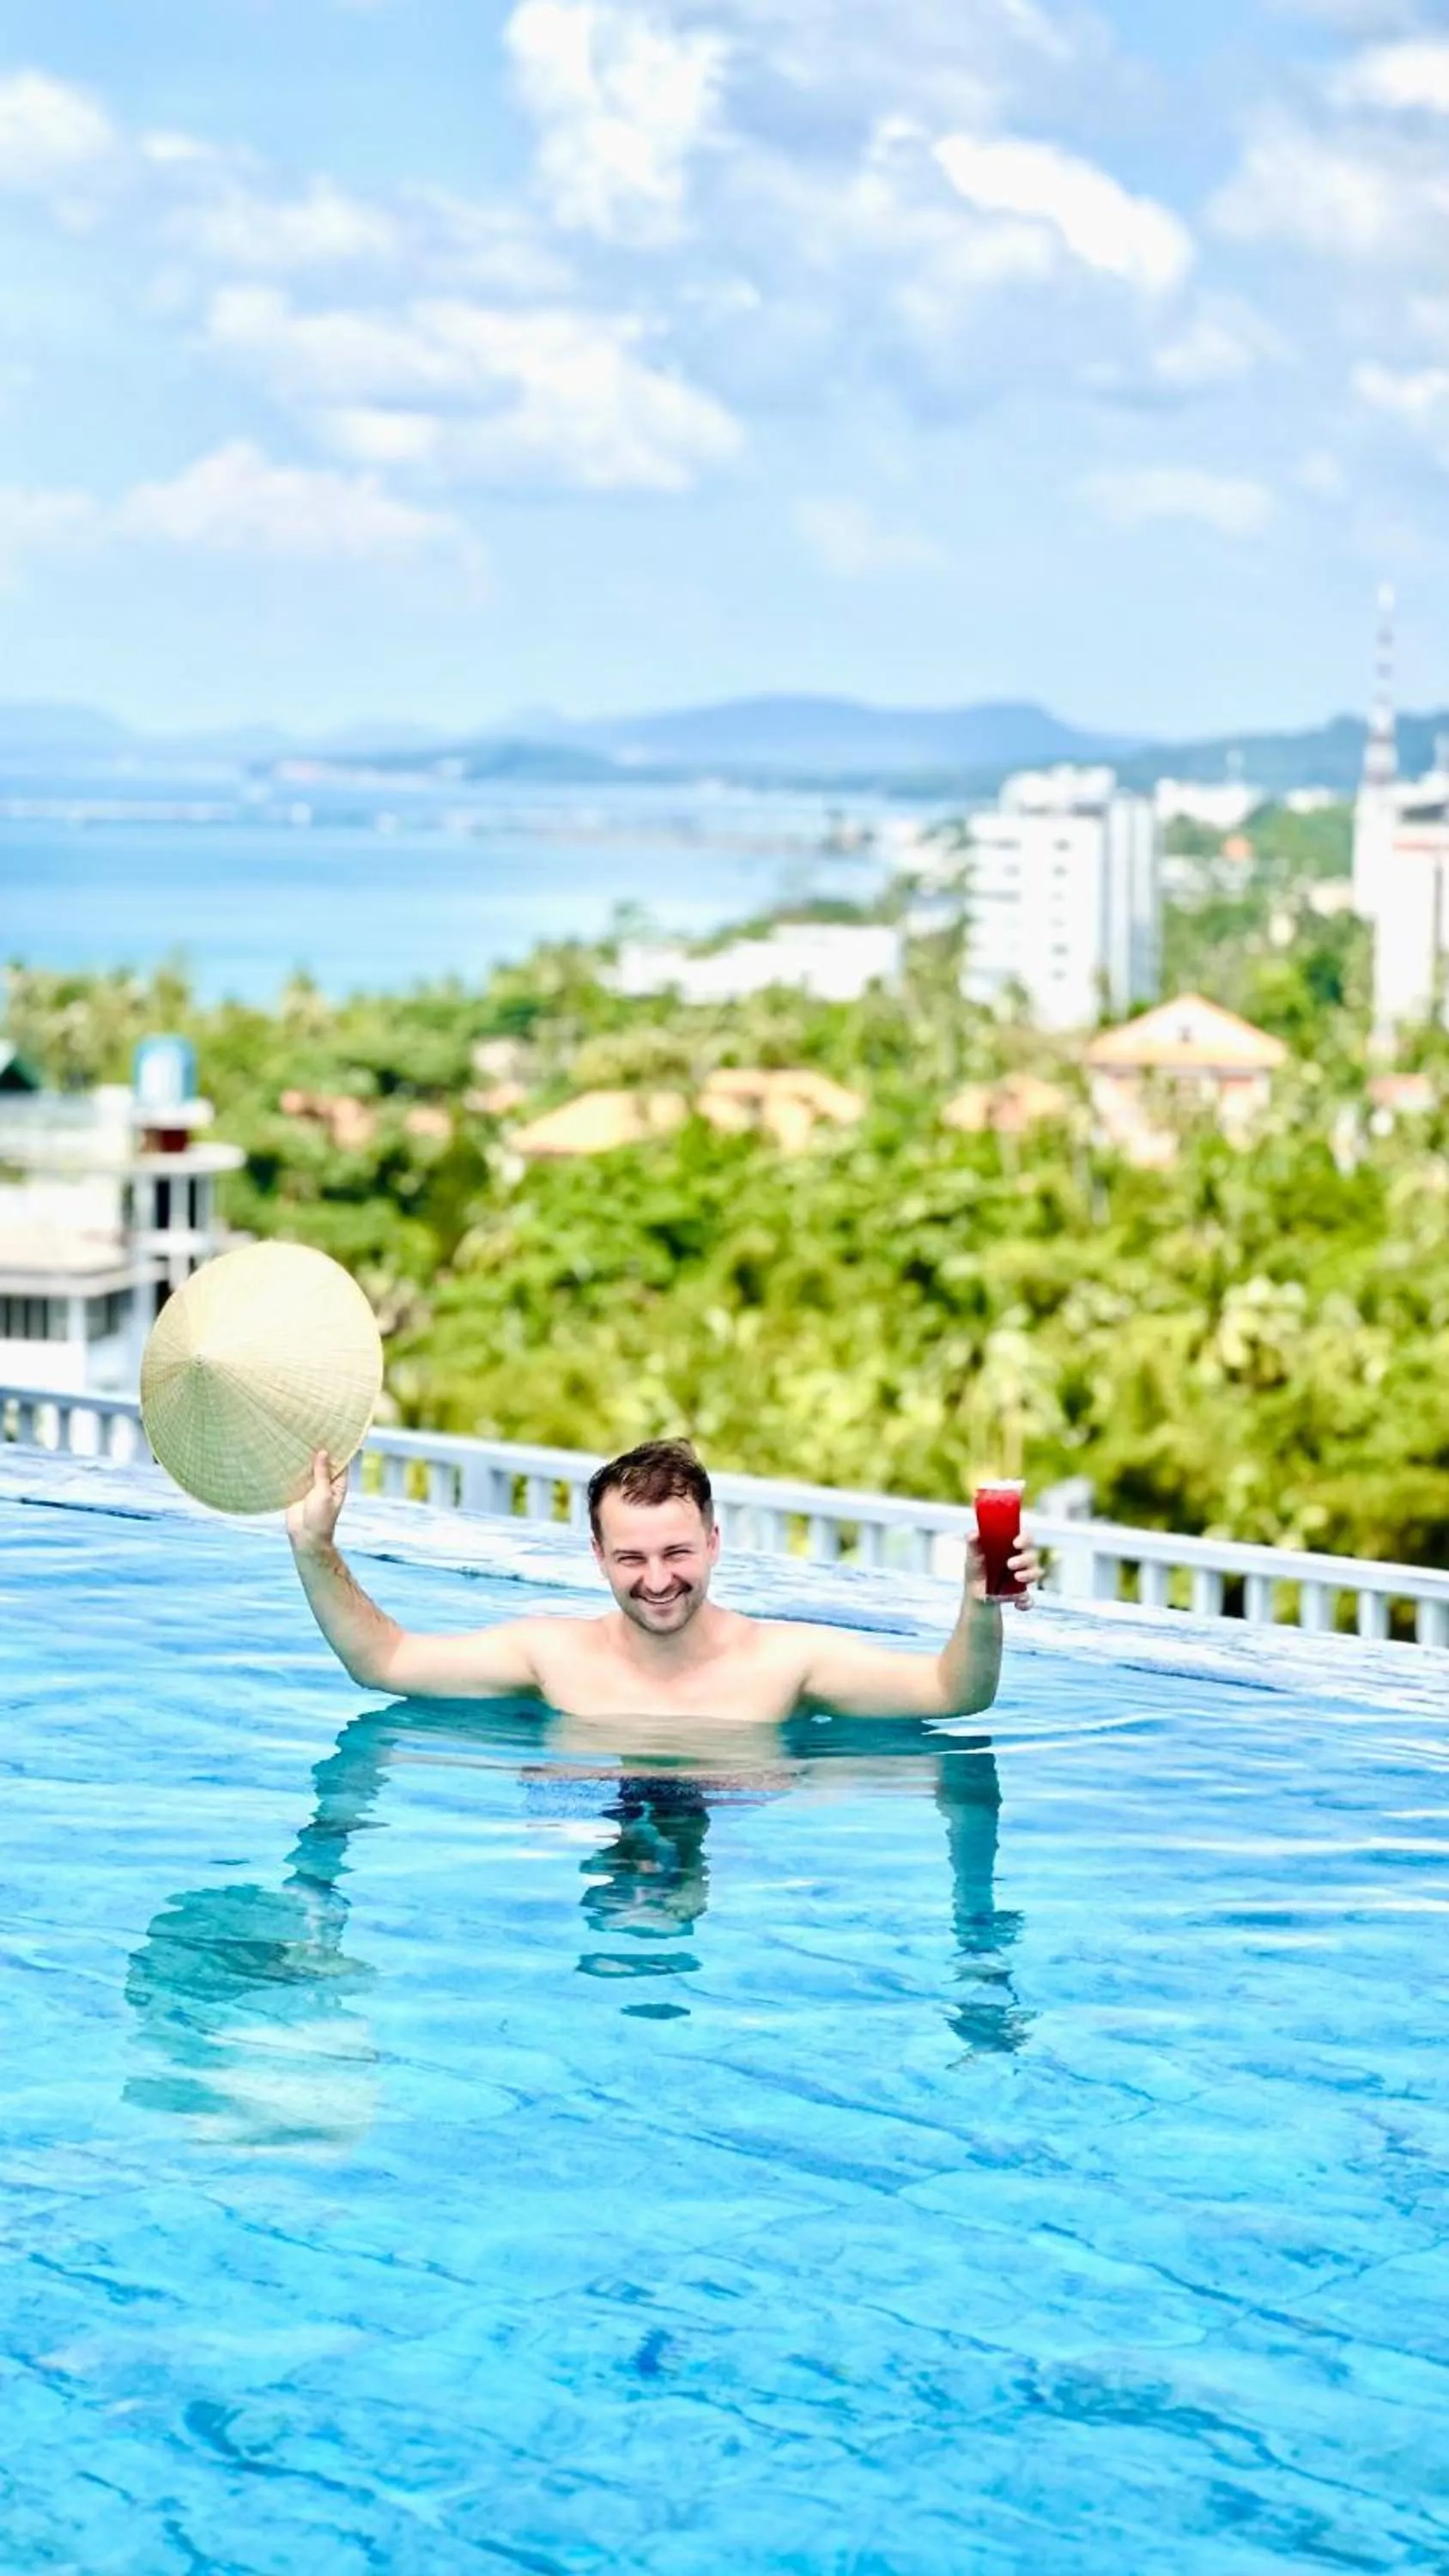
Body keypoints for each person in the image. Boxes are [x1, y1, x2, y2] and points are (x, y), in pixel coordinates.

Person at [287, 1437, 1040, 1722]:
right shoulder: (551, 1657)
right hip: (590, 1815)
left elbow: (955, 1695)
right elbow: (382, 1663)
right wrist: (314, 1546)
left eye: (676, 1553)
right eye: (631, 1558)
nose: (657, 1580)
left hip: (730, 1818)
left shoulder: (785, 1662)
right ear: (597, 1556)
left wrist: (981, 1605)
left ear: (714, 1543)